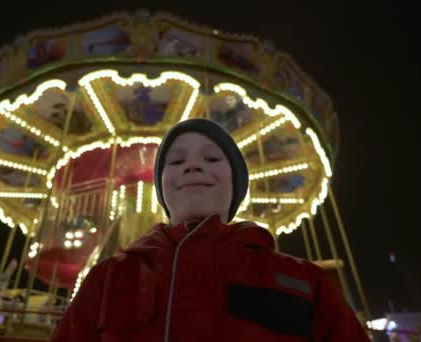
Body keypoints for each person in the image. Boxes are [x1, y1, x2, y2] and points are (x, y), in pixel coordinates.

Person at [51, 118, 370, 341]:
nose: (193, 166)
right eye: (175, 162)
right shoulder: (107, 279)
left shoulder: (303, 282)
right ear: (161, 187)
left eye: (212, 158)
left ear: (236, 184)